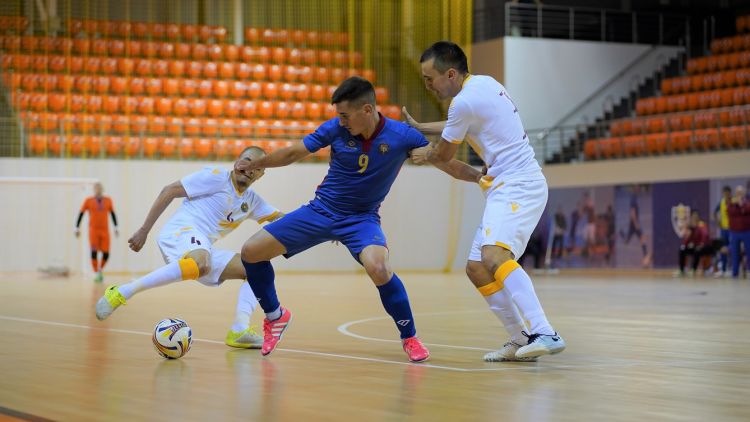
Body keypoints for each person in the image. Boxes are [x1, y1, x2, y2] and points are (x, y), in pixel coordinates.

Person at [234, 76, 446, 362]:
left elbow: (441, 157)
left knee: (379, 267)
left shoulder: (402, 135)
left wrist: (481, 176)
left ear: (367, 110)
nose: (341, 121)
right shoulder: (335, 129)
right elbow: (295, 152)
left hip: (361, 219)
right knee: (251, 251)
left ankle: (410, 338)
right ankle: (275, 316)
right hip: (321, 210)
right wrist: (259, 162)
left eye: (345, 115)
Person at [405, 41, 565, 361]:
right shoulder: (485, 83)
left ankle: (545, 331)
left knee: (494, 255)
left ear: (450, 74)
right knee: (477, 267)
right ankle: (520, 339)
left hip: (518, 185)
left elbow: (446, 154)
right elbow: (462, 121)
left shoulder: (462, 104)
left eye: (429, 78)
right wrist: (423, 127)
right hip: (503, 186)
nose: (428, 85)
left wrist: (426, 153)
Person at [95, 147, 282, 349]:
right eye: (247, 160)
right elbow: (169, 190)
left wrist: (316, 219)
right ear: (237, 161)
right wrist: (144, 230)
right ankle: (122, 292)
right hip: (180, 232)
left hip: (203, 247)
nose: (251, 168)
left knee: (257, 270)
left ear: (262, 174)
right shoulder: (216, 177)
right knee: (201, 261)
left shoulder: (252, 201)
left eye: (258, 166)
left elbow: (283, 219)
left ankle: (239, 329)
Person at [76, 182, 119, 282]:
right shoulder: (88, 201)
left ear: (102, 189)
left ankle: (100, 269)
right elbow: (81, 213)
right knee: (94, 251)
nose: (98, 189)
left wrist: (116, 227)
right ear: (94, 189)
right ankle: (96, 273)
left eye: (99, 188)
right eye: (96, 188)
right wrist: (77, 227)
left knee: (106, 253)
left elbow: (112, 214)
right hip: (93, 231)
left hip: (105, 230)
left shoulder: (108, 200)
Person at [677, 210, 712, 277]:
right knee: (682, 250)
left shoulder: (701, 224)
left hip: (705, 246)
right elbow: (688, 238)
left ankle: (693, 269)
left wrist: (701, 244)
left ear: (698, 217)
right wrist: (685, 245)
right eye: (693, 217)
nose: (694, 218)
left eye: (696, 216)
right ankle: (682, 270)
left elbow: (705, 235)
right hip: (695, 246)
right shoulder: (691, 227)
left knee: (697, 250)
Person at [728, 185, 750, 279]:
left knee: (749, 251)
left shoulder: (747, 201)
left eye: (741, 192)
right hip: (734, 232)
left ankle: (749, 271)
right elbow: (730, 212)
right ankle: (735, 272)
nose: (739, 194)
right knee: (735, 253)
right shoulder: (732, 202)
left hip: (746, 231)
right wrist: (736, 205)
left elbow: (747, 210)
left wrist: (742, 205)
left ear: (744, 193)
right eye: (738, 192)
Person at [713, 186, 732, 277]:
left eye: (727, 193)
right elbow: (714, 212)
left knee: (733, 249)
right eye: (724, 193)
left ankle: (733, 268)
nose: (726, 195)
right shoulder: (721, 202)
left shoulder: (733, 201)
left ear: (730, 193)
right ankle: (723, 269)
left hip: (733, 230)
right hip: (724, 230)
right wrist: (718, 222)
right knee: (723, 249)